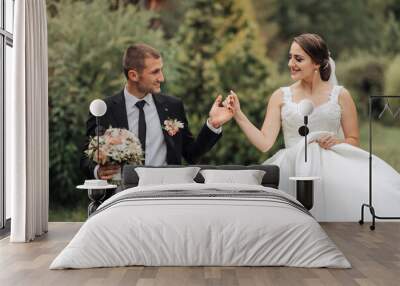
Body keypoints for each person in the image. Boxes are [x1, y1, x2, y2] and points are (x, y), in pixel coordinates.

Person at [227, 33, 400, 221]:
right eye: (290, 57)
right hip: (292, 170)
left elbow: (353, 140)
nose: (291, 63)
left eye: (298, 58)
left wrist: (337, 141)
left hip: (333, 171)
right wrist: (238, 114)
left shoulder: (341, 95)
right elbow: (264, 143)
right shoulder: (280, 96)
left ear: (317, 63)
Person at [80, 43, 233, 180]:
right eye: (155, 72)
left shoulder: (173, 106)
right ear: (133, 75)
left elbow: (191, 155)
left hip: (166, 196)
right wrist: (97, 171)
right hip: (122, 199)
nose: (162, 78)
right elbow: (85, 159)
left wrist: (213, 124)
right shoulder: (104, 109)